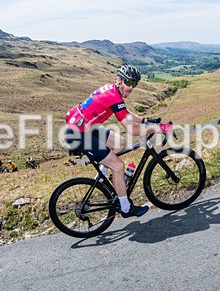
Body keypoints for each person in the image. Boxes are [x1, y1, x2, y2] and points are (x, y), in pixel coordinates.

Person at [64, 64, 171, 218]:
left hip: (85, 127)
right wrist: (159, 128)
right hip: (80, 134)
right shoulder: (113, 96)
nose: (131, 87)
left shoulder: (112, 91)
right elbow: (132, 130)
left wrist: (146, 121)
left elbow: (125, 113)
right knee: (119, 166)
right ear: (119, 80)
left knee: (120, 143)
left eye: (134, 84)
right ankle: (126, 208)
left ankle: (101, 178)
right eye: (129, 82)